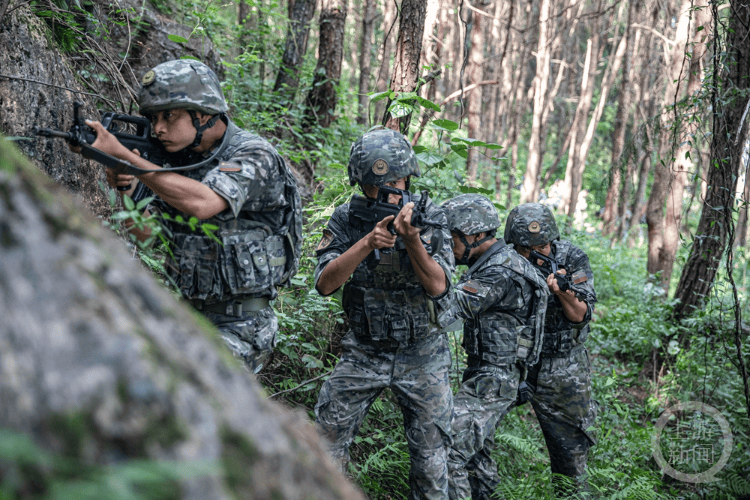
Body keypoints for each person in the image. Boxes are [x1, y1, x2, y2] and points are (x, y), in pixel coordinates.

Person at [73, 59, 301, 373]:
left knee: (186, 384)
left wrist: (126, 157)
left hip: (242, 325)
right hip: (185, 316)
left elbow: (203, 203)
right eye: (153, 118)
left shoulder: (253, 154)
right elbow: (147, 236)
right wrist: (126, 188)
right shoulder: (177, 162)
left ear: (204, 113)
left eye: (169, 115)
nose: (158, 128)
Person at [313, 127, 460, 500]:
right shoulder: (346, 219)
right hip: (364, 349)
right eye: (380, 185)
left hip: (422, 352)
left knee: (430, 463)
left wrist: (412, 239)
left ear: (409, 177)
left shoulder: (431, 218)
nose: (392, 190)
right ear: (362, 185)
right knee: (323, 446)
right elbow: (325, 284)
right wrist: (366, 242)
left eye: (397, 180)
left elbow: (438, 286)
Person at [440, 194, 548, 500]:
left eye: (452, 238)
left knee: (449, 454)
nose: (449, 246)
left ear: (474, 235)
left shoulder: (500, 271)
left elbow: (448, 311)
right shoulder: (495, 263)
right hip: (492, 375)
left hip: (492, 379)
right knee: (476, 459)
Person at [503, 203, 598, 495]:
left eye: (543, 246)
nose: (536, 254)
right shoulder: (502, 260)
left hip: (562, 367)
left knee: (571, 457)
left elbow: (581, 315)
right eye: (527, 248)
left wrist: (562, 291)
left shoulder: (571, 257)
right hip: (509, 362)